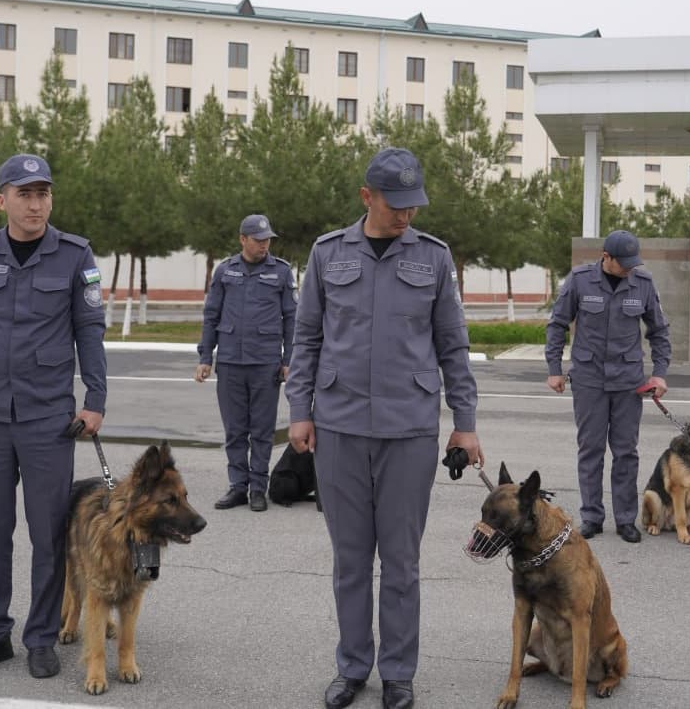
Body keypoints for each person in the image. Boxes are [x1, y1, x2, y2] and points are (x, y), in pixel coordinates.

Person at [286, 147, 482, 709]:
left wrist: (465, 425)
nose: (405, 216)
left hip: (409, 430)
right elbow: (306, 340)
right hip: (340, 426)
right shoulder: (327, 254)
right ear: (366, 198)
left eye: (413, 205)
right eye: (395, 205)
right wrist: (299, 412)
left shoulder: (435, 258)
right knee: (351, 559)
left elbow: (453, 347)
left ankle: (399, 671)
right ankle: (352, 667)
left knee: (400, 561)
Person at [0, 154, 107, 680]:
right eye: (24, 194)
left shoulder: (75, 256)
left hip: (47, 419)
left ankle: (41, 637)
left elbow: (89, 331)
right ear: (2, 199)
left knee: (49, 532)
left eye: (43, 193)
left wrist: (94, 399)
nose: (35, 204)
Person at [545, 229, 670, 544]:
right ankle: (592, 517)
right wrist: (554, 369)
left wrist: (660, 373)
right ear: (606, 257)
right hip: (589, 379)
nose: (629, 268)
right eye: (622, 262)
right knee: (591, 450)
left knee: (626, 451)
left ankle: (626, 520)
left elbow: (659, 330)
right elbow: (557, 323)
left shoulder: (643, 284)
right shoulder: (580, 280)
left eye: (633, 262)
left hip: (629, 382)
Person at [195, 213, 297, 513]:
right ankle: (238, 486)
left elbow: (292, 319)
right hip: (229, 361)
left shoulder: (280, 272)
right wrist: (205, 357)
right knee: (235, 430)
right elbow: (211, 315)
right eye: (258, 240)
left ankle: (257, 488)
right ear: (243, 239)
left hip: (265, 363)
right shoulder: (225, 271)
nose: (264, 245)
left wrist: (289, 360)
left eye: (267, 240)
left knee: (262, 430)